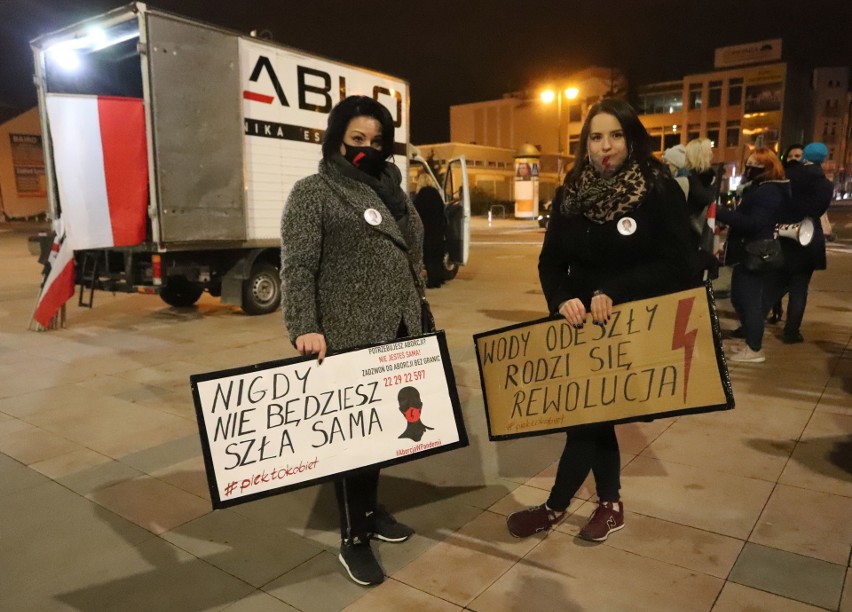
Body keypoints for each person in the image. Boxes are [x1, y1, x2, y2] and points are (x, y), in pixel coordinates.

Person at [507, 98, 700, 542]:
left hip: (632, 322)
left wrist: (617, 291)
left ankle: (557, 506)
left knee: (589, 417)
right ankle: (609, 504)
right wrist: (562, 300)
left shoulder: (657, 188)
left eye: (615, 135)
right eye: (596, 137)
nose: (605, 146)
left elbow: (680, 262)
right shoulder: (571, 192)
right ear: (585, 144)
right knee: (593, 412)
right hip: (581, 328)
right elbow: (551, 262)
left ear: (631, 139)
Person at [280, 95, 424, 586]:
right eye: (357, 140)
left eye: (377, 141)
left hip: (401, 331)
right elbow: (298, 266)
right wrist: (304, 326)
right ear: (337, 139)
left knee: (387, 432)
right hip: (347, 335)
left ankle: (370, 513)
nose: (368, 149)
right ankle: (353, 539)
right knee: (353, 445)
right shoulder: (314, 191)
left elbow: (410, 256)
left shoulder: (394, 192)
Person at [716, 147, 790, 363]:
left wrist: (721, 213)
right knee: (740, 298)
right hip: (748, 250)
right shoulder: (761, 188)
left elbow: (753, 223)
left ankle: (754, 348)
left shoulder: (768, 191)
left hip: (754, 252)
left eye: (752, 167)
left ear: (765, 169)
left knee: (748, 301)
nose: (747, 170)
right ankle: (750, 343)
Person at [763, 142, 833, 344]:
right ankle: (792, 332)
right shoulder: (826, 185)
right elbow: (819, 212)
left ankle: (753, 322)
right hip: (809, 237)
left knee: (773, 283)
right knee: (799, 288)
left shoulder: (790, 176)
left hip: (785, 234)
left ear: (805, 157)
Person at [768, 143, 805, 324]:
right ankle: (777, 310)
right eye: (791, 156)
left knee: (788, 282)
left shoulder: (803, 181)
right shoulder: (781, 180)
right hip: (782, 234)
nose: (794, 160)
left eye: (798, 156)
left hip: (798, 235)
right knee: (778, 278)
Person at [413, 174, 448, 288]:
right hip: (437, 231)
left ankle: (432, 281)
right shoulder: (437, 195)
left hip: (426, 231)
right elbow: (442, 212)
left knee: (428, 257)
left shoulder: (420, 196)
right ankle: (439, 279)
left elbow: (416, 213)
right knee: (437, 257)